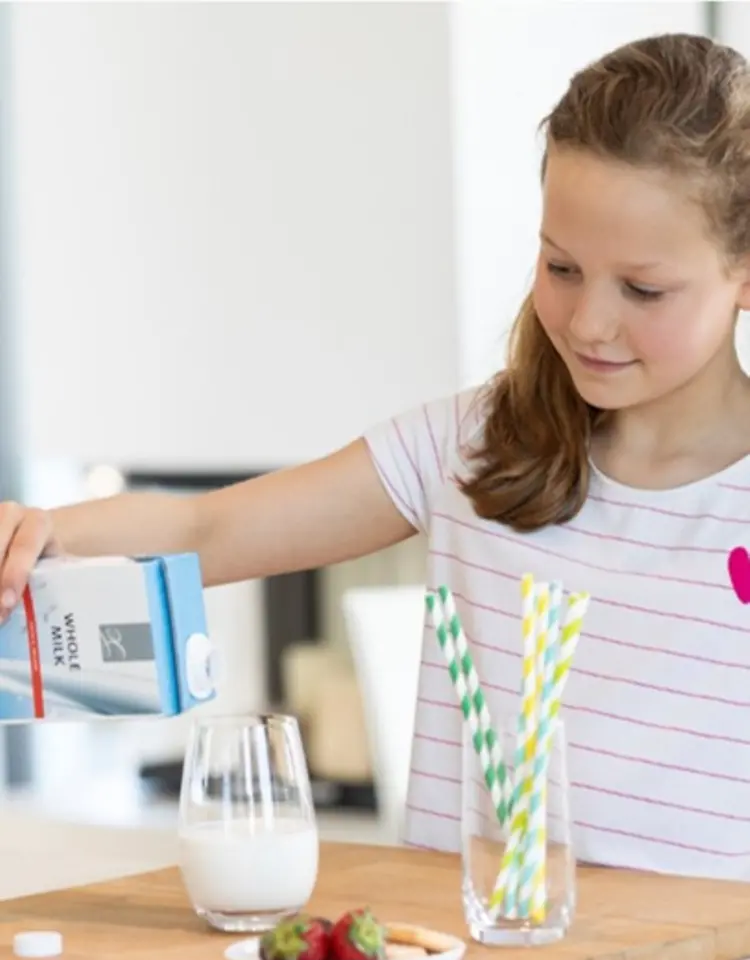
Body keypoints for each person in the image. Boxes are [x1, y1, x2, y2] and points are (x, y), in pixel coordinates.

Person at [1, 31, 750, 880]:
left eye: (643, 289)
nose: (587, 322)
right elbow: (205, 525)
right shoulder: (471, 446)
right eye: (561, 266)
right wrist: (36, 533)